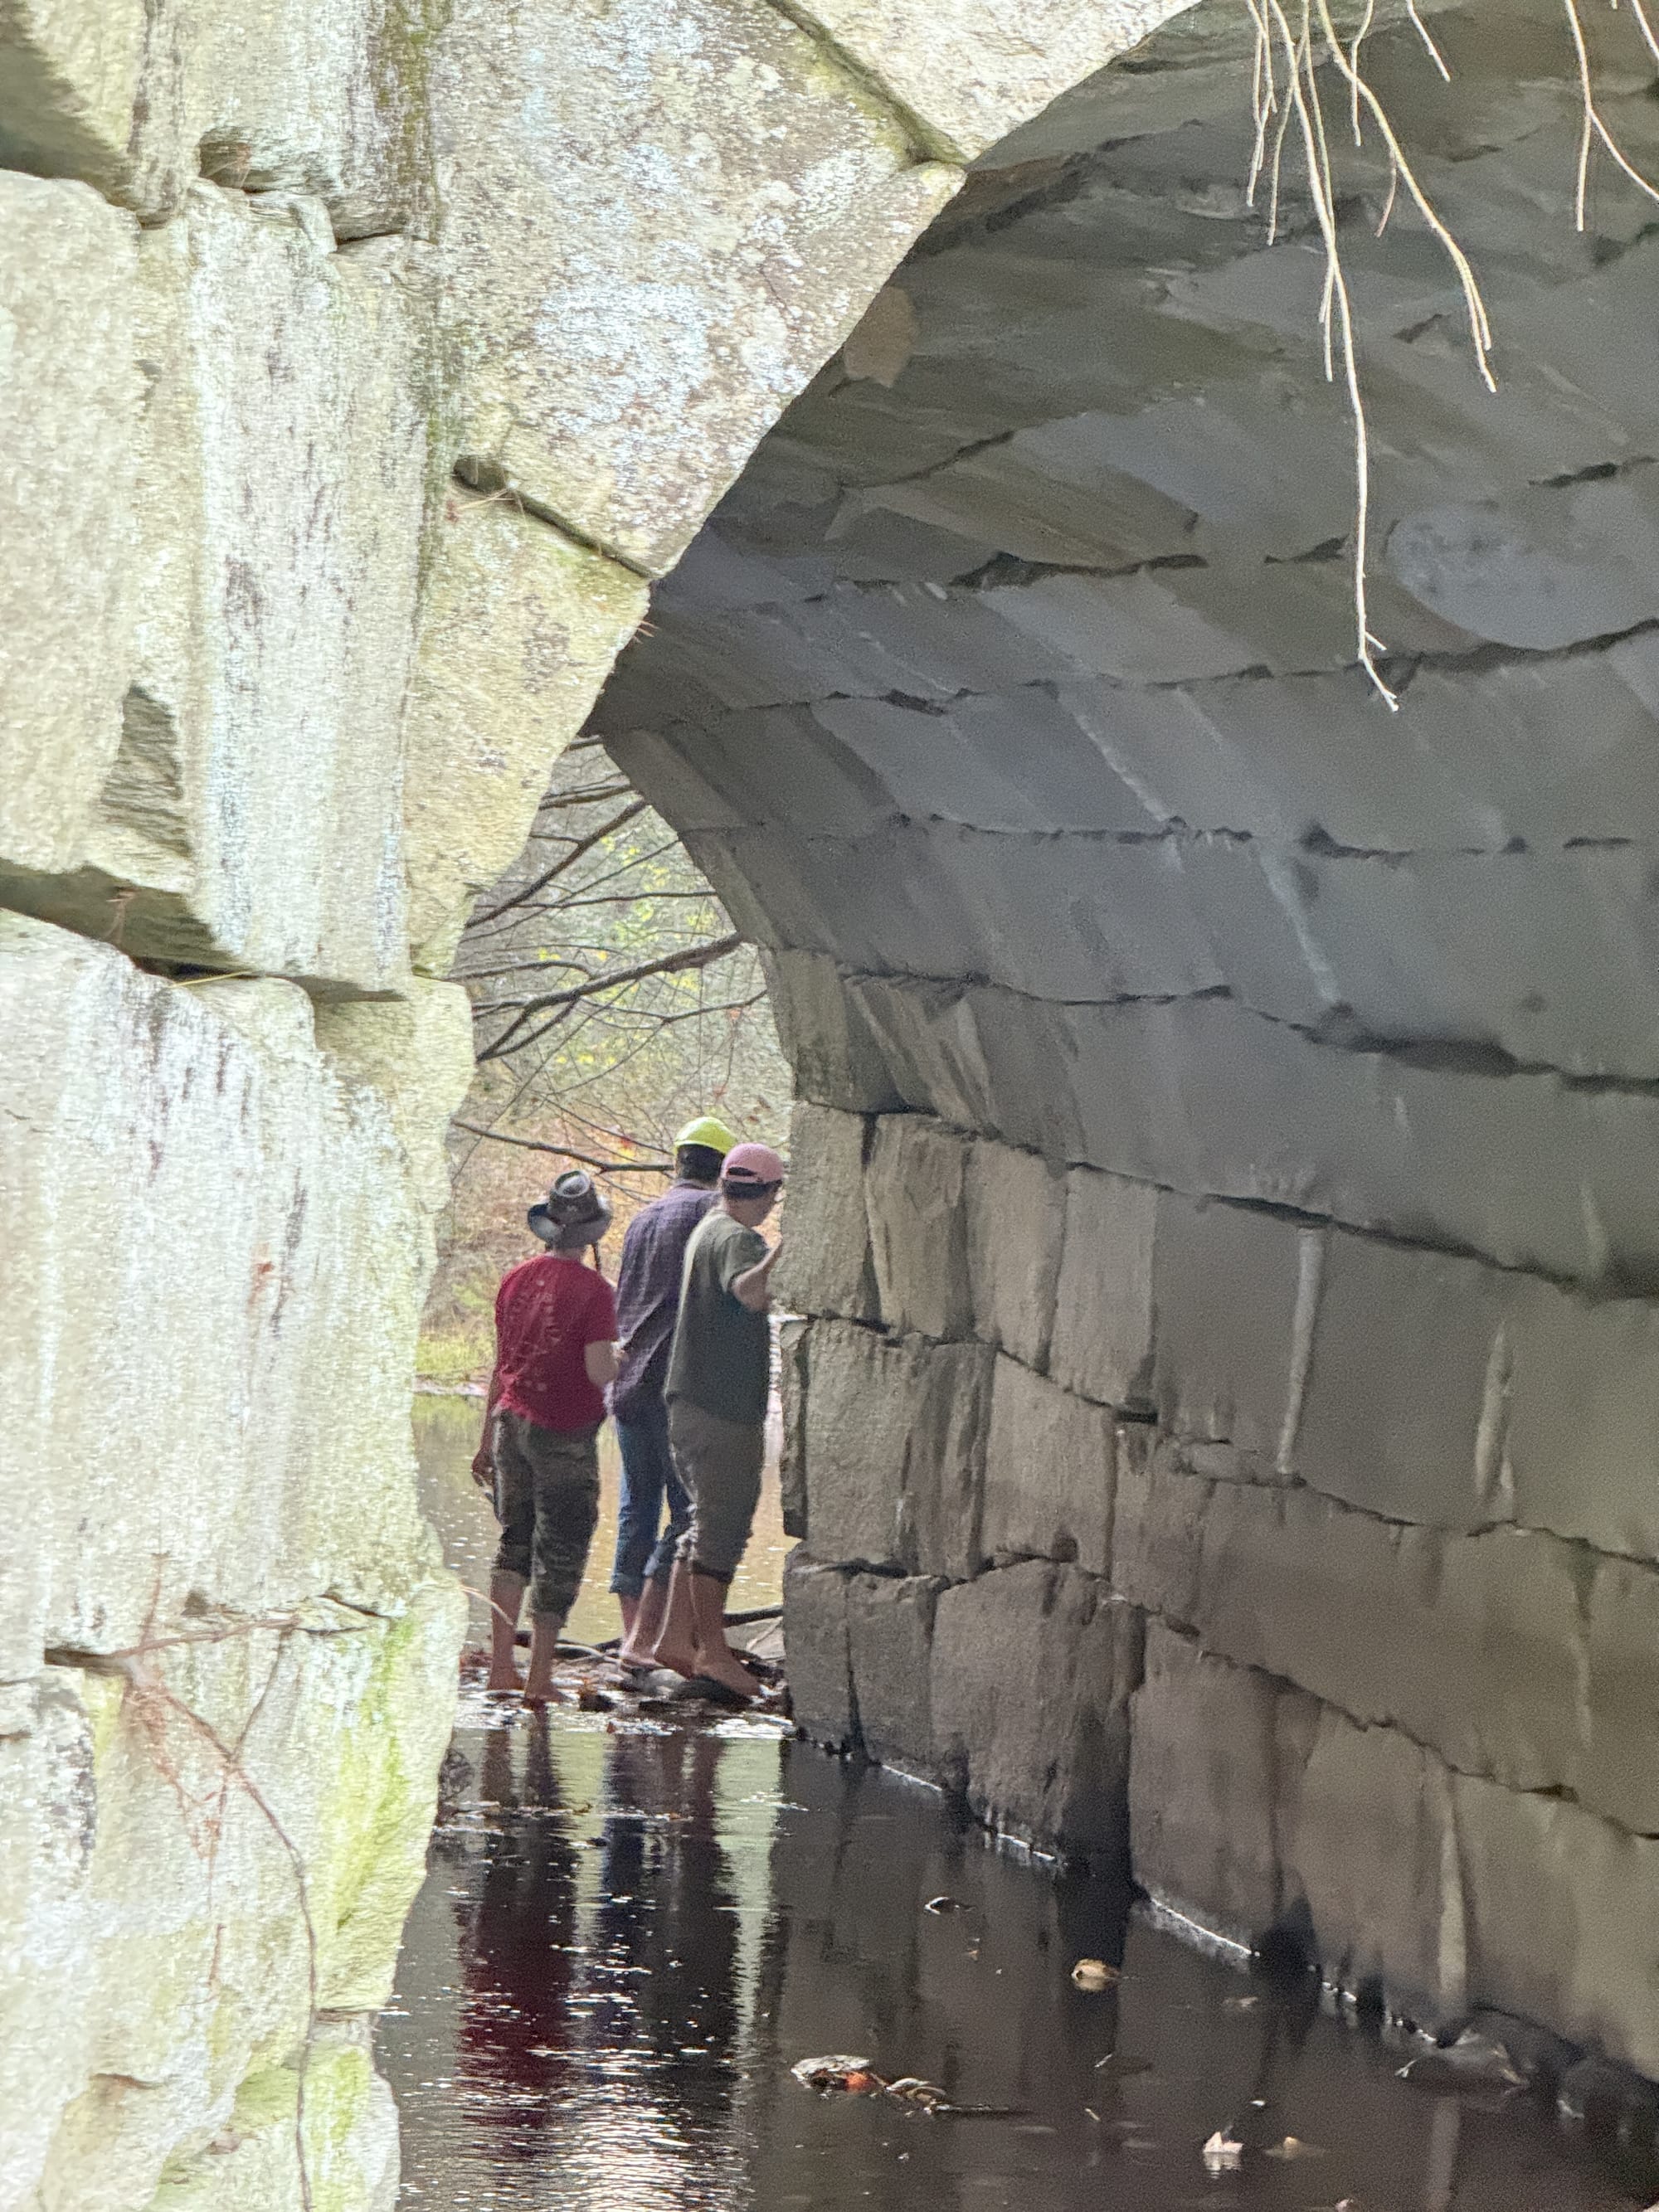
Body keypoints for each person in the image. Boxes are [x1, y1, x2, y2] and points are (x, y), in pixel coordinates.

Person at [473, 1170, 620, 1705]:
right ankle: (538, 1679)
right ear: (592, 1233)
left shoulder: (514, 1280)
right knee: (560, 1548)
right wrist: (626, 1357)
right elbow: (600, 1372)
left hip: (510, 1422)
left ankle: (498, 1669)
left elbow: (501, 1366)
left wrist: (485, 1440)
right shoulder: (597, 1293)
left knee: (513, 1540)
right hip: (564, 1433)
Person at [652, 1141, 786, 1702]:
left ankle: (673, 1639)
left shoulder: (709, 1224)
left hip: (688, 1402)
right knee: (722, 1529)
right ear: (771, 1194)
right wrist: (785, 1250)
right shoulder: (736, 1237)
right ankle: (713, 1651)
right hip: (721, 1407)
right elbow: (751, 1292)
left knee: (700, 1523)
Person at [609, 1116, 737, 1670]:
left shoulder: (642, 1218)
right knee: (690, 1512)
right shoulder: (713, 1217)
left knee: (637, 1507)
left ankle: (629, 1639)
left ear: (679, 1160)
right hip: (676, 1385)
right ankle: (649, 1639)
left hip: (628, 1380)